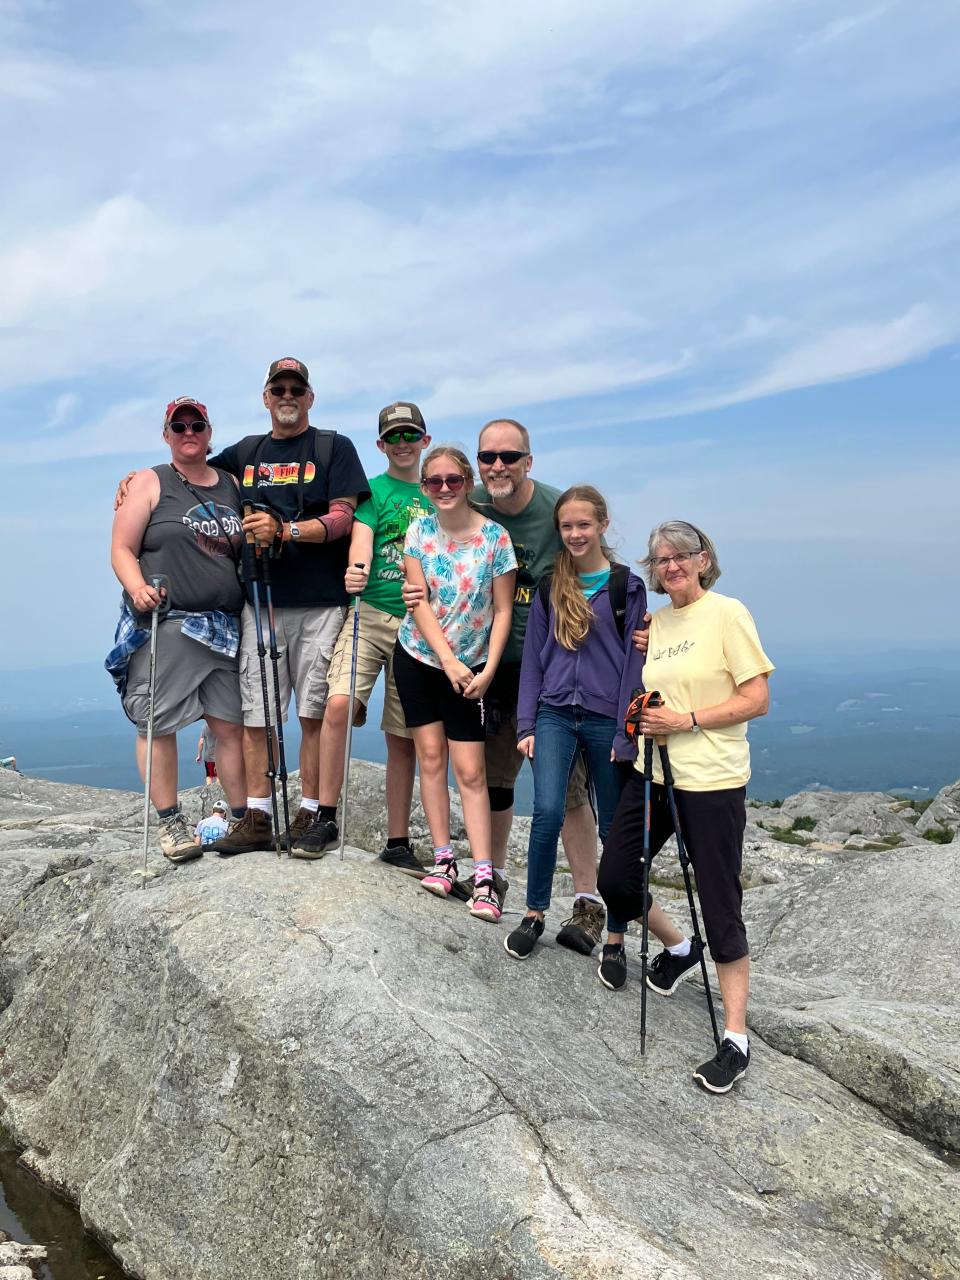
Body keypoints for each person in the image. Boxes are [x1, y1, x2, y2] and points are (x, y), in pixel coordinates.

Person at [596, 521, 773, 1095]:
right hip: (655, 772)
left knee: (721, 902)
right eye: (660, 560)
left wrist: (686, 720)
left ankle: (735, 1039)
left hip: (713, 781)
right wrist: (649, 711)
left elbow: (757, 698)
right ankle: (679, 946)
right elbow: (661, 682)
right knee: (616, 878)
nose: (669, 566)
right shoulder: (659, 622)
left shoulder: (728, 614)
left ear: (703, 559)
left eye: (680, 556)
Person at [203, 358, 370, 855]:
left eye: (297, 388)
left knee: (313, 714)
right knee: (258, 713)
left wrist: (287, 530)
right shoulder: (245, 452)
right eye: (279, 388)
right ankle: (257, 815)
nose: (288, 395)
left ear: (310, 398)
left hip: (320, 602)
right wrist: (141, 481)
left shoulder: (333, 447)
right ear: (266, 396)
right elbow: (196, 476)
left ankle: (312, 814)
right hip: (261, 600)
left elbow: (343, 517)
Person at [504, 486, 647, 961]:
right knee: (546, 811)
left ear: (603, 525)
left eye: (584, 525)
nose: (575, 534)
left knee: (613, 827)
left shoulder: (627, 586)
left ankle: (616, 935)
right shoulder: (550, 585)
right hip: (555, 712)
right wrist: (527, 724)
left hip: (607, 717)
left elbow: (633, 664)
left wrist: (627, 734)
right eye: (567, 526)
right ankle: (535, 913)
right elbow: (533, 663)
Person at [291, 402, 433, 862]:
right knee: (338, 707)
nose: (402, 444)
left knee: (403, 735)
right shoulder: (371, 492)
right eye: (393, 437)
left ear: (425, 441)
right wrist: (357, 569)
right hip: (370, 612)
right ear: (380, 445)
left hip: (420, 624)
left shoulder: (442, 492)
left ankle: (397, 842)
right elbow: (362, 539)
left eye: (410, 435)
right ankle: (326, 818)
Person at [107, 397, 247, 863]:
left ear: (209, 432)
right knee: (158, 722)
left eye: (197, 424)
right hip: (170, 622)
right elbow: (122, 548)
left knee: (229, 724)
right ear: (166, 433)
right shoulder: (150, 482)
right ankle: (170, 822)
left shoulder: (230, 482)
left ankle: (244, 819)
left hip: (225, 626)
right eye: (179, 425)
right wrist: (137, 587)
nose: (189, 432)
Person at [393, 446, 516, 920]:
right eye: (433, 482)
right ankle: (444, 860)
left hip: (472, 668)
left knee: (471, 771)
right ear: (424, 487)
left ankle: (483, 875)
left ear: (468, 481)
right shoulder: (419, 531)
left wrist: (486, 670)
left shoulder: (494, 540)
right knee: (430, 758)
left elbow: (503, 609)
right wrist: (449, 662)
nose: (443, 489)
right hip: (422, 658)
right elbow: (417, 603)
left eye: (452, 480)